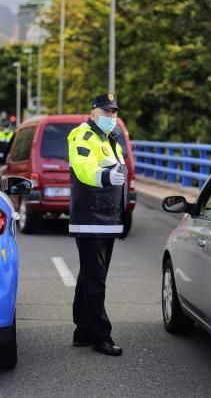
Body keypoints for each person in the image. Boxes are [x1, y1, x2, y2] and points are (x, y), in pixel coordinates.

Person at [67, 93, 127, 356]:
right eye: (106, 113)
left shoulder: (110, 139)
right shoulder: (84, 136)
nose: (111, 118)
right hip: (91, 217)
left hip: (108, 218)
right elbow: (83, 168)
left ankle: (82, 330)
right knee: (96, 279)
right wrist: (105, 177)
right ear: (93, 113)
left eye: (114, 113)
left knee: (89, 277)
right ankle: (101, 337)